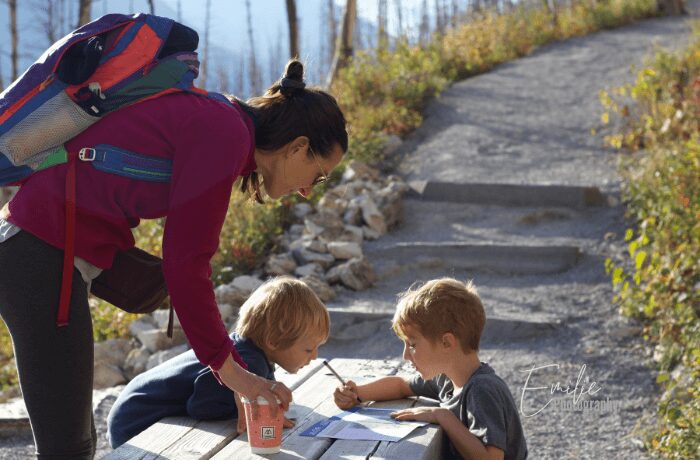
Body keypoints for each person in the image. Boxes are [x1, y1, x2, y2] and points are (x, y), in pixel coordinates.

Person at [0, 59, 347, 459]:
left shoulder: (223, 122)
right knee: (69, 447)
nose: (308, 191)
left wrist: (236, 376)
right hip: (38, 254)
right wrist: (237, 377)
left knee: (72, 443)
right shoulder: (225, 133)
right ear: (299, 147)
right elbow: (186, 263)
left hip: (40, 251)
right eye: (318, 175)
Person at [107, 276, 329, 448]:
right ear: (273, 341)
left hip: (130, 410)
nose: (314, 356)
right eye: (308, 349)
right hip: (136, 424)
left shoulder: (248, 350)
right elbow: (202, 406)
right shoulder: (248, 362)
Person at [333, 278, 528, 460]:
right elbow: (401, 385)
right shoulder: (445, 378)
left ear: (446, 342)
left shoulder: (482, 390)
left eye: (413, 345)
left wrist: (441, 415)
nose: (405, 355)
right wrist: (357, 394)